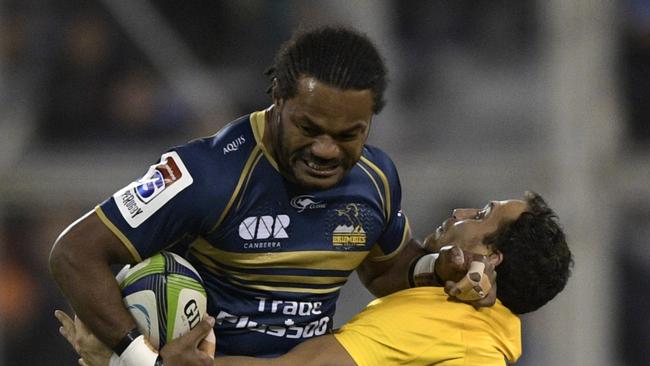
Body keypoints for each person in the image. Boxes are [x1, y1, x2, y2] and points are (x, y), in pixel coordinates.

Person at [49, 26, 494, 365]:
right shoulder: (207, 172)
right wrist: (143, 360)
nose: (326, 150)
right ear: (277, 98)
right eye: (309, 128)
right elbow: (75, 252)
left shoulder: (376, 177)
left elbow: (385, 270)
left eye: (348, 135)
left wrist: (437, 266)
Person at [58, 192, 573, 366]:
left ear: (492, 258)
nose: (462, 210)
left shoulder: (447, 321)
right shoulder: (493, 334)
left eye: (481, 213)